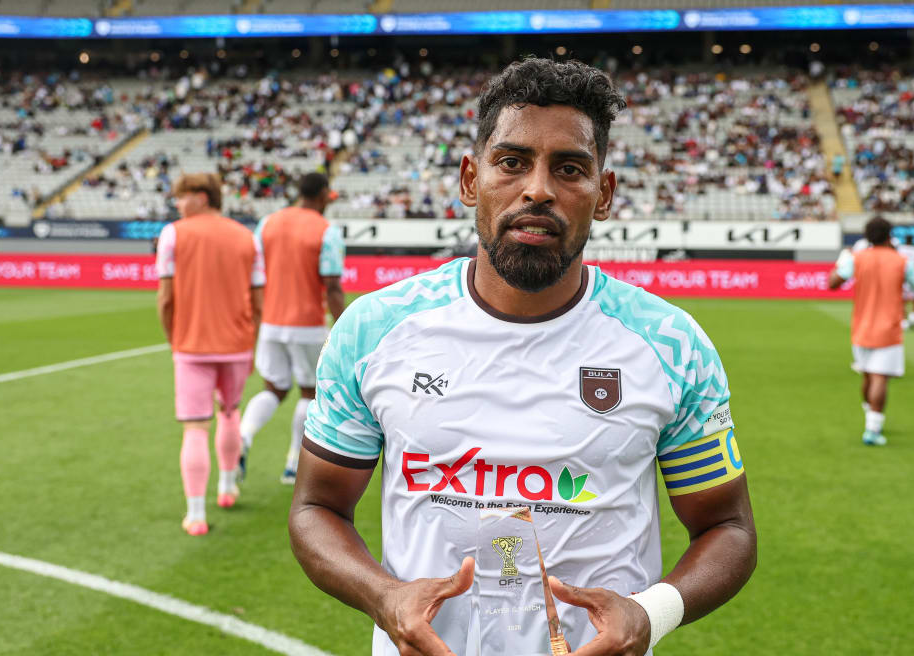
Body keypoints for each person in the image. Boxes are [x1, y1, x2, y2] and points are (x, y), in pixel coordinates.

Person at [289, 58, 756, 656]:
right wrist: (384, 597)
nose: (538, 188)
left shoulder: (670, 343)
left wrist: (649, 613)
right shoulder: (374, 330)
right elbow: (316, 505)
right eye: (512, 163)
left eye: (570, 168)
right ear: (469, 180)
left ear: (604, 193)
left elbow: (728, 526)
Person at [156, 172, 265, 536]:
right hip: (236, 344)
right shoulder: (247, 238)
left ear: (202, 196)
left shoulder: (174, 234)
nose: (177, 204)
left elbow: (166, 297)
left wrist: (174, 336)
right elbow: (259, 300)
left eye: (181, 196)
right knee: (230, 413)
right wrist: (253, 341)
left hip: (191, 345)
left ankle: (196, 514)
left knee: (196, 428)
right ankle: (227, 487)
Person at [237, 172, 345, 485]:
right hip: (308, 323)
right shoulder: (327, 231)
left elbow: (254, 273)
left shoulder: (267, 223)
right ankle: (292, 465)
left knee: (273, 388)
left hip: (271, 322)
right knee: (310, 391)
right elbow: (333, 285)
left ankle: (243, 438)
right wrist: (345, 326)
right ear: (323, 195)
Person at [829, 216, 914, 446]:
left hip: (861, 327)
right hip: (889, 328)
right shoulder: (902, 261)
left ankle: (869, 414)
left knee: (867, 374)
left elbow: (833, 282)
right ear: (889, 236)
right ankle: (873, 428)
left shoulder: (857, 258)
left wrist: (842, 260)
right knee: (880, 377)